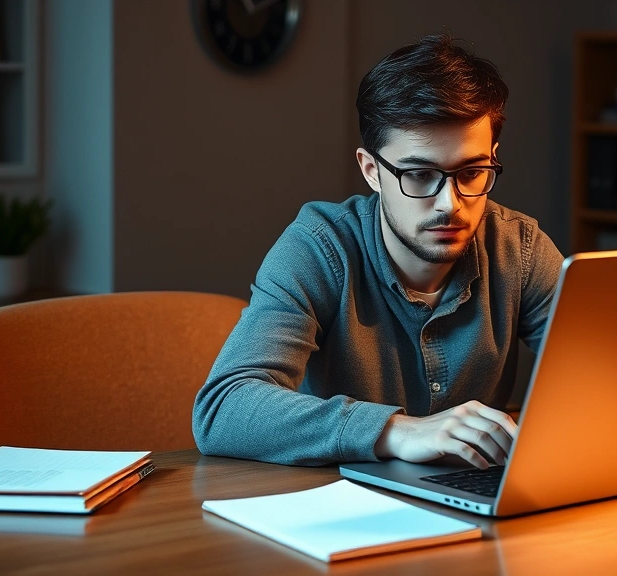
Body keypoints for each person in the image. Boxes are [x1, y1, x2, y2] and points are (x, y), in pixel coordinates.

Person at [193, 34, 564, 469]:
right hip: (338, 511)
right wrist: (397, 430)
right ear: (372, 171)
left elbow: (614, 376)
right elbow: (223, 408)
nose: (450, 202)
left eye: (471, 172)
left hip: (475, 509)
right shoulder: (319, 248)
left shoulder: (518, 248)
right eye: (420, 174)